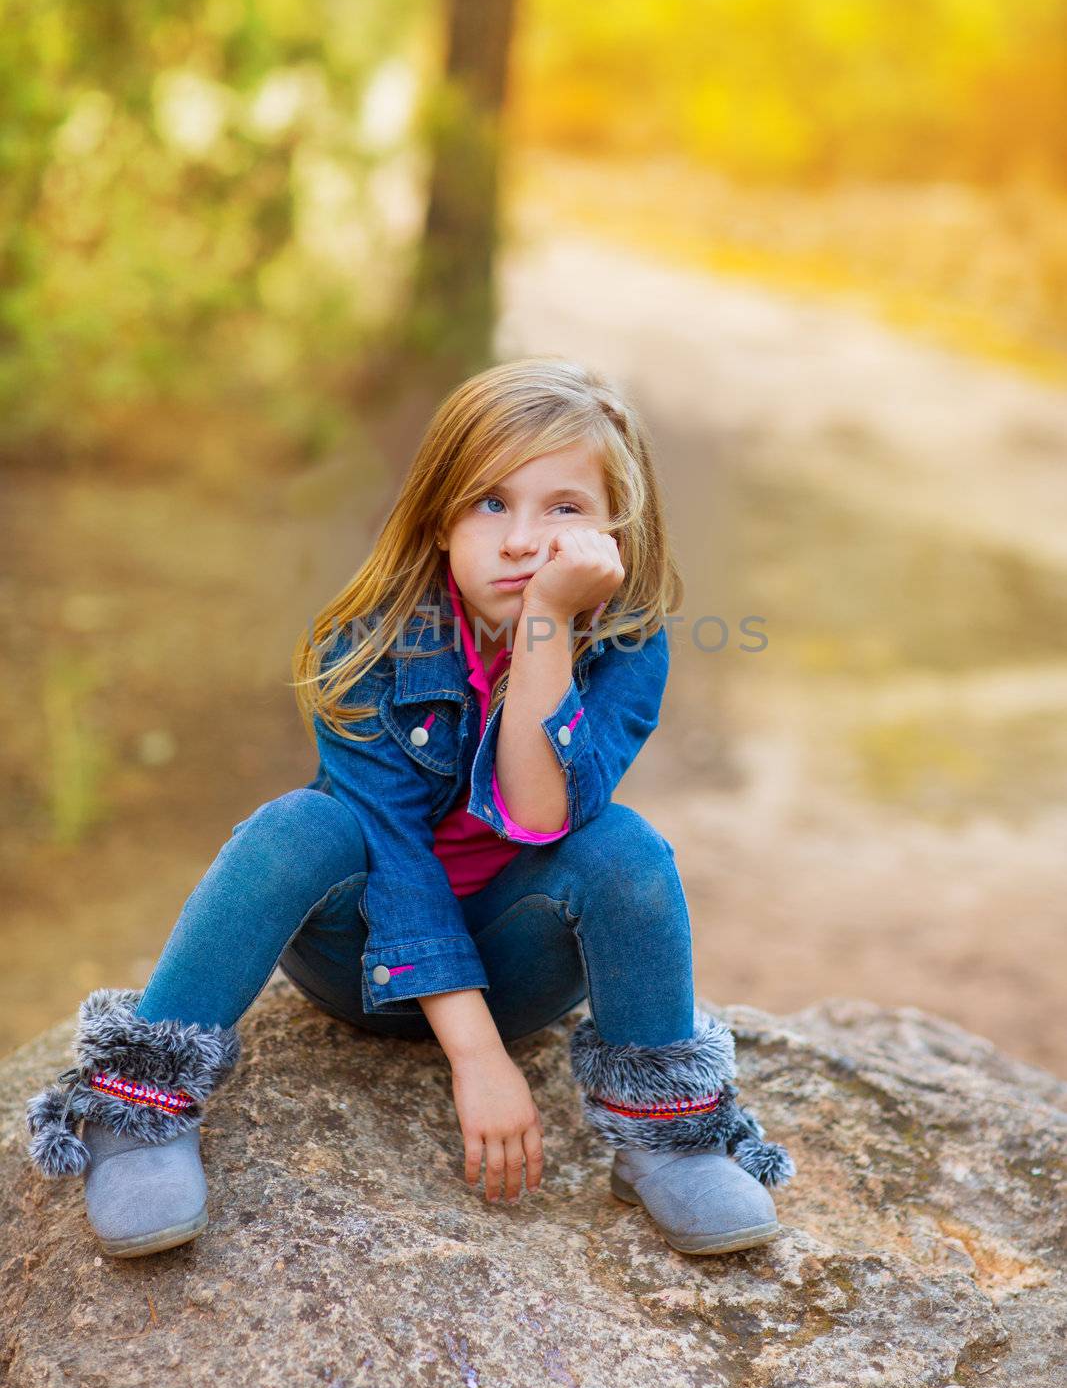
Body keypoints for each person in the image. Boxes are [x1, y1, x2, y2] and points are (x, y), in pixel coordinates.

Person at [26, 357, 795, 1258]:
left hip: (518, 971)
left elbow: (538, 814)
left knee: (623, 848)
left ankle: (667, 1132)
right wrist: (476, 1061)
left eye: (563, 508)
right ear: (438, 517)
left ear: (615, 528)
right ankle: (137, 1107)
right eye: (490, 503)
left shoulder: (626, 647)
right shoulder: (373, 642)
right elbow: (392, 855)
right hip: (358, 962)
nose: (521, 540)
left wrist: (546, 623)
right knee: (298, 827)